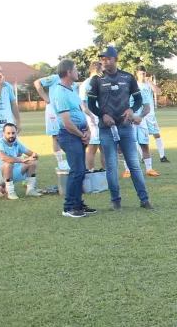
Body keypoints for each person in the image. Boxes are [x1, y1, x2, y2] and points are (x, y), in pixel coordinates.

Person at [87, 46, 153, 209]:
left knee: (134, 164)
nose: (104, 61)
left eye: (107, 58)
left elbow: (138, 100)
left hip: (126, 127)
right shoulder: (97, 80)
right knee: (111, 165)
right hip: (106, 129)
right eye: (102, 58)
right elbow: (91, 104)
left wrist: (132, 110)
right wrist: (103, 115)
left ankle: (144, 200)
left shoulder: (128, 77)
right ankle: (116, 201)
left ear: (115, 59)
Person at [51, 59, 96, 218]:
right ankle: (69, 207)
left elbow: (80, 112)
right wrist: (81, 134)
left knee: (81, 170)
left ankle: (78, 203)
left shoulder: (72, 90)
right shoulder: (60, 92)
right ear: (68, 72)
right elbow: (67, 122)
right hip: (69, 136)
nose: (78, 72)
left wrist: (87, 131)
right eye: (76, 69)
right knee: (77, 171)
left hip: (78, 134)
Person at [0, 123, 41, 200]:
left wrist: (34, 156)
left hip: (10, 172)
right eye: (8, 133)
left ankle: (30, 190)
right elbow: (3, 157)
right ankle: (10, 192)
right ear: (3, 133)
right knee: (8, 164)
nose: (11, 135)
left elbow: (31, 153)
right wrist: (22, 160)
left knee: (32, 163)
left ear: (16, 133)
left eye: (13, 133)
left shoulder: (16, 143)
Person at [137, 67, 167, 164]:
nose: (142, 76)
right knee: (140, 137)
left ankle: (162, 156)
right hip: (140, 114)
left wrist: (150, 82)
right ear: (137, 74)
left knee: (157, 134)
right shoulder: (135, 85)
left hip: (150, 114)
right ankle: (143, 156)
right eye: (141, 74)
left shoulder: (148, 84)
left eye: (144, 74)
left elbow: (158, 92)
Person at [78, 62, 103, 170]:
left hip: (101, 118)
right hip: (92, 119)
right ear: (97, 71)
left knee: (103, 147)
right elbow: (83, 105)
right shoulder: (86, 85)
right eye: (102, 71)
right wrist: (91, 116)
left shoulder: (99, 82)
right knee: (93, 147)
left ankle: (105, 172)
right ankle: (91, 171)